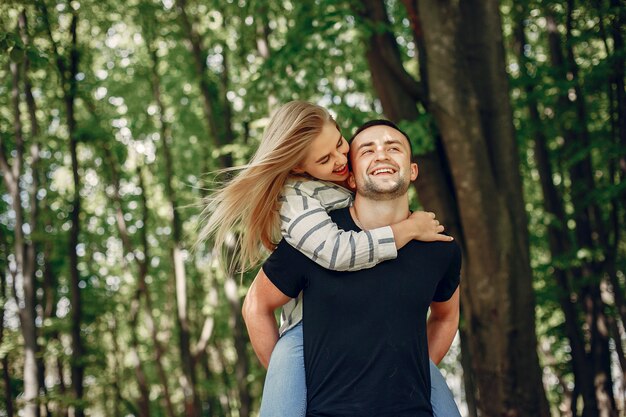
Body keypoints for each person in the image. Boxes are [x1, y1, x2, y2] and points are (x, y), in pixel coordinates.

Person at [199, 101, 459, 415]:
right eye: (326, 158)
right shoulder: (305, 222)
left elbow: (445, 316)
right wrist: (291, 385)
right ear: (299, 166)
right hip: (303, 334)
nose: (339, 160)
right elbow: (334, 255)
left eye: (340, 146)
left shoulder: (439, 248)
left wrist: (409, 370)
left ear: (413, 169)